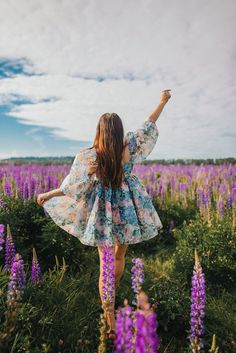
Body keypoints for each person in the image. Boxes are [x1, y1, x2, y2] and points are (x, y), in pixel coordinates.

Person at [36, 89, 171, 340]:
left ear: (99, 131)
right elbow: (149, 124)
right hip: (128, 210)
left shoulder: (90, 156)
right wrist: (162, 101)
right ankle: (113, 297)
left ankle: (109, 320)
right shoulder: (129, 144)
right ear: (119, 130)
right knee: (119, 257)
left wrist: (49, 194)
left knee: (105, 265)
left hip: (102, 213)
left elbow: (71, 187)